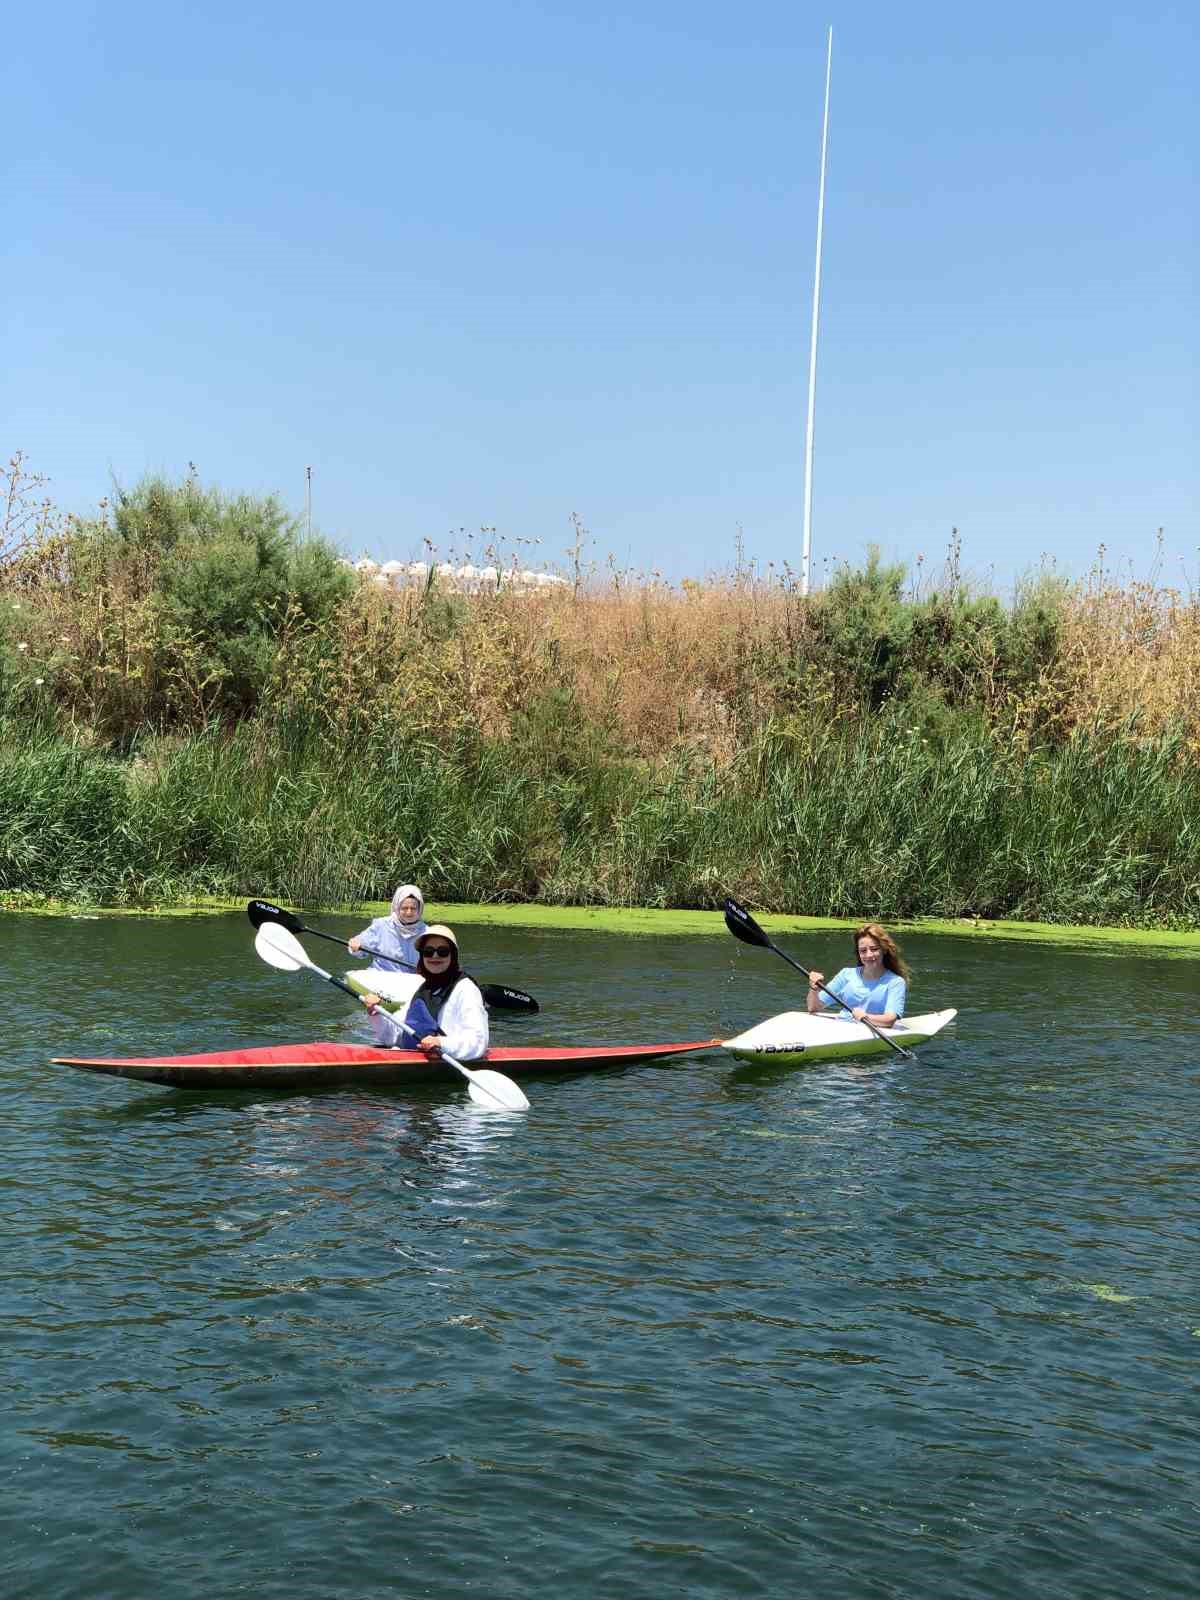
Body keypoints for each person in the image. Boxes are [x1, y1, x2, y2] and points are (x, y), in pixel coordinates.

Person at [361, 925, 489, 1061]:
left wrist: (442, 1043)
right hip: (414, 1059)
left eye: (442, 951)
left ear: (453, 955)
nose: (435, 956)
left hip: (446, 1062)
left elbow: (477, 1042)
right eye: (428, 951)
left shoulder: (465, 988)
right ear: (422, 956)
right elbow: (395, 1036)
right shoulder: (423, 989)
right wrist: (377, 1013)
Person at [806, 923, 910, 1027]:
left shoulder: (895, 982)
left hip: (872, 1030)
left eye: (874, 949)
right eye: (863, 951)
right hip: (841, 1026)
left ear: (883, 950)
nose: (869, 955)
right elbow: (814, 1008)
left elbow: (889, 1020)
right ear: (858, 953)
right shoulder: (846, 974)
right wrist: (813, 989)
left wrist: (865, 1017)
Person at [348, 884, 427, 973]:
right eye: (404, 908)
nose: (409, 912)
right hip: (382, 976)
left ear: (420, 909)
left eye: (413, 908)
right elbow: (361, 950)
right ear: (397, 907)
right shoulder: (381, 925)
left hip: (413, 980)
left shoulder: (427, 932)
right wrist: (356, 945)